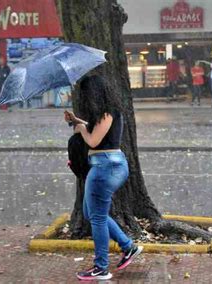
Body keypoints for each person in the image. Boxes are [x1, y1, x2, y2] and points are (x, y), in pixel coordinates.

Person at [64, 75, 143, 281]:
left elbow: (93, 140)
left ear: (93, 94)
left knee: (97, 217)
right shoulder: (108, 112)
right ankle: (128, 247)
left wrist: (80, 129)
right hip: (110, 165)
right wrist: (77, 121)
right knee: (91, 213)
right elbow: (99, 130)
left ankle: (101, 267)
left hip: (104, 168)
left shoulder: (107, 113)